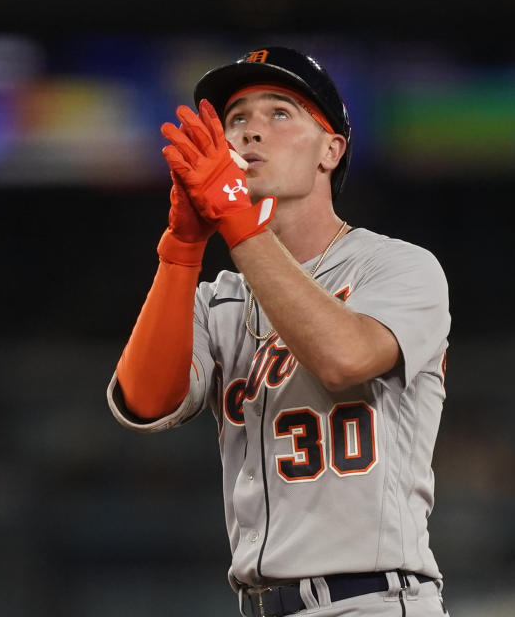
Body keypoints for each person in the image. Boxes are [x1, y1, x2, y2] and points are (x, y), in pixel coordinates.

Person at [107, 46, 452, 617]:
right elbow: (144, 402)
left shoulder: (398, 267)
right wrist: (183, 248)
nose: (250, 132)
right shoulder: (219, 298)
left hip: (375, 599)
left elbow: (344, 357)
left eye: (280, 113)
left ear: (331, 149)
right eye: (236, 119)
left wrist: (237, 221)